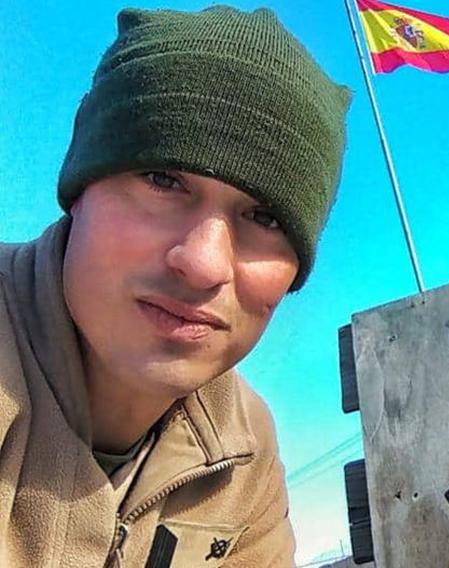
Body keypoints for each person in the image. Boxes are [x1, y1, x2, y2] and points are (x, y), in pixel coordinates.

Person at [0, 6, 350, 567]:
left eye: (264, 218)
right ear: (80, 188)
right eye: (163, 180)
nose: (203, 263)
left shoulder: (243, 451)